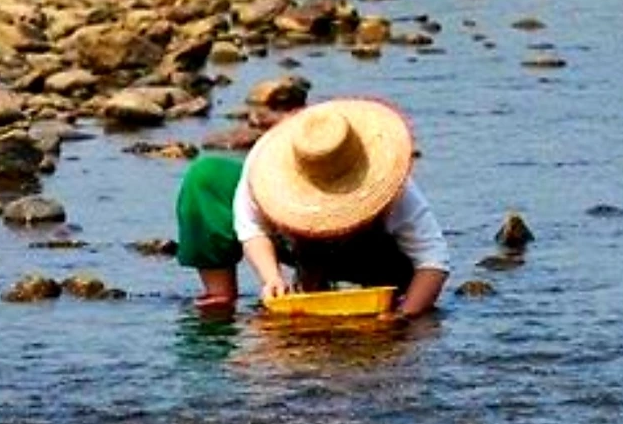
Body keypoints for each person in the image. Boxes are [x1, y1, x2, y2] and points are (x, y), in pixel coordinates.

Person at [175, 97, 450, 318]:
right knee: (206, 177)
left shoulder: (389, 183)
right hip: (295, 242)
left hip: (372, 255)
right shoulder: (265, 167)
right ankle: (220, 298)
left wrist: (404, 315)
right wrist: (272, 279)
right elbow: (252, 227)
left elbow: (432, 260)